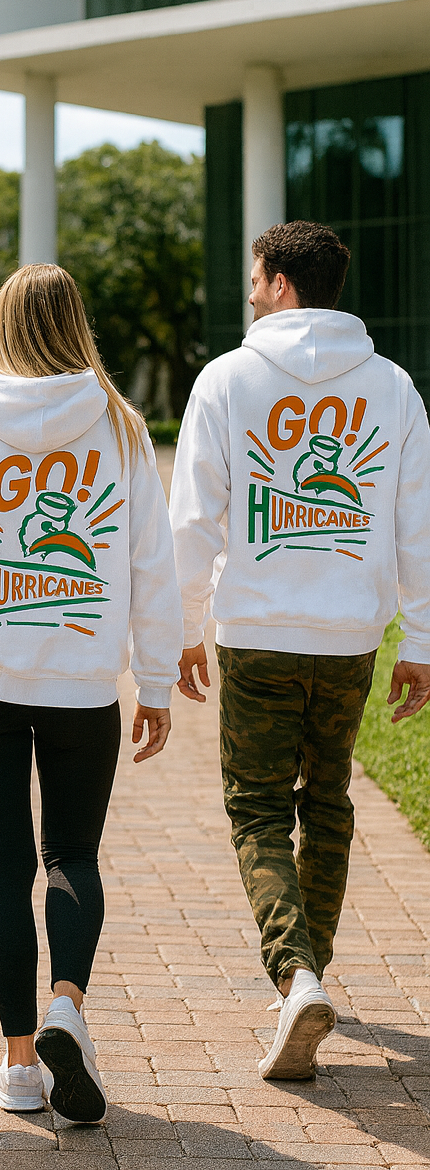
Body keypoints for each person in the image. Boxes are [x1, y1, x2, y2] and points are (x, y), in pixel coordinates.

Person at [0, 264, 182, 1123]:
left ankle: (21, 1066)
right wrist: (158, 678)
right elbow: (151, 563)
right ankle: (67, 1001)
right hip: (81, 685)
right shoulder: (122, 426)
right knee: (73, 857)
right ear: (76, 326)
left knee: (3, 864)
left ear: (1, 327)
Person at [170, 220, 430, 1081]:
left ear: (280, 281)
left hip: (256, 634)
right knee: (328, 802)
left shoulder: (227, 380)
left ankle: (294, 975)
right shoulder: (393, 389)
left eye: (254, 276)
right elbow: (418, 525)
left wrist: (184, 624)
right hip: (352, 635)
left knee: (255, 807)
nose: (249, 290)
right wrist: (422, 637)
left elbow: (195, 521)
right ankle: (305, 981)